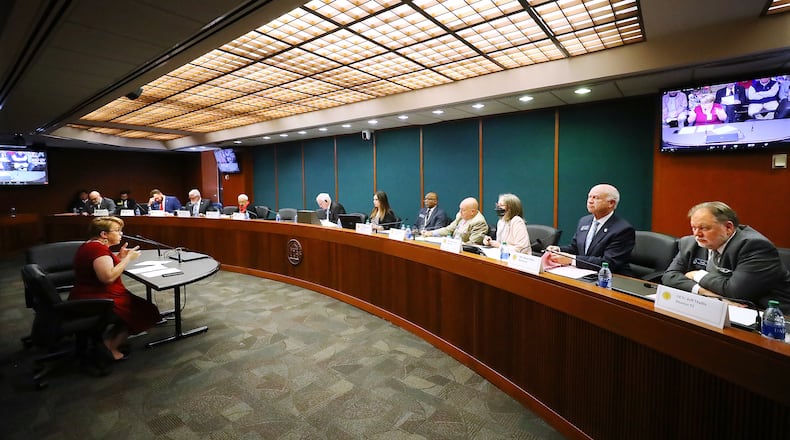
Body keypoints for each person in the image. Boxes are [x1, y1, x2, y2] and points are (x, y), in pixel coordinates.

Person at [661, 201, 790, 312]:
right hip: (718, 306)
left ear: (728, 227)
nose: (697, 234)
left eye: (704, 228)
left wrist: (696, 275)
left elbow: (736, 292)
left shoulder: (754, 246)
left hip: (767, 314)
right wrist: (705, 293)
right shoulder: (689, 243)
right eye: (693, 228)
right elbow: (669, 276)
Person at [69, 217, 161, 360]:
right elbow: (108, 277)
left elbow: (102, 266)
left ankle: (109, 340)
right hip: (97, 299)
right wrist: (127, 259)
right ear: (104, 234)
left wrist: (118, 256)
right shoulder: (98, 249)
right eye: (117, 231)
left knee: (140, 306)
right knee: (143, 311)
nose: (121, 234)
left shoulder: (91, 245)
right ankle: (109, 347)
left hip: (87, 294)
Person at [546, 184, 635, 274]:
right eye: (589, 197)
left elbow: (608, 263)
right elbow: (576, 248)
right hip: (585, 273)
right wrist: (559, 250)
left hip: (611, 278)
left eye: (596, 198)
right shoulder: (584, 221)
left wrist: (571, 259)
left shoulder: (623, 229)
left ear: (611, 203)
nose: (590, 201)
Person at [423, 197, 488, 244]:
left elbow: (472, 243)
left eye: (463, 210)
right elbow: (449, 229)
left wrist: (454, 246)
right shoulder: (460, 216)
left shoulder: (479, 222)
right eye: (460, 209)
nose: (460, 212)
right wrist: (431, 233)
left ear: (472, 212)